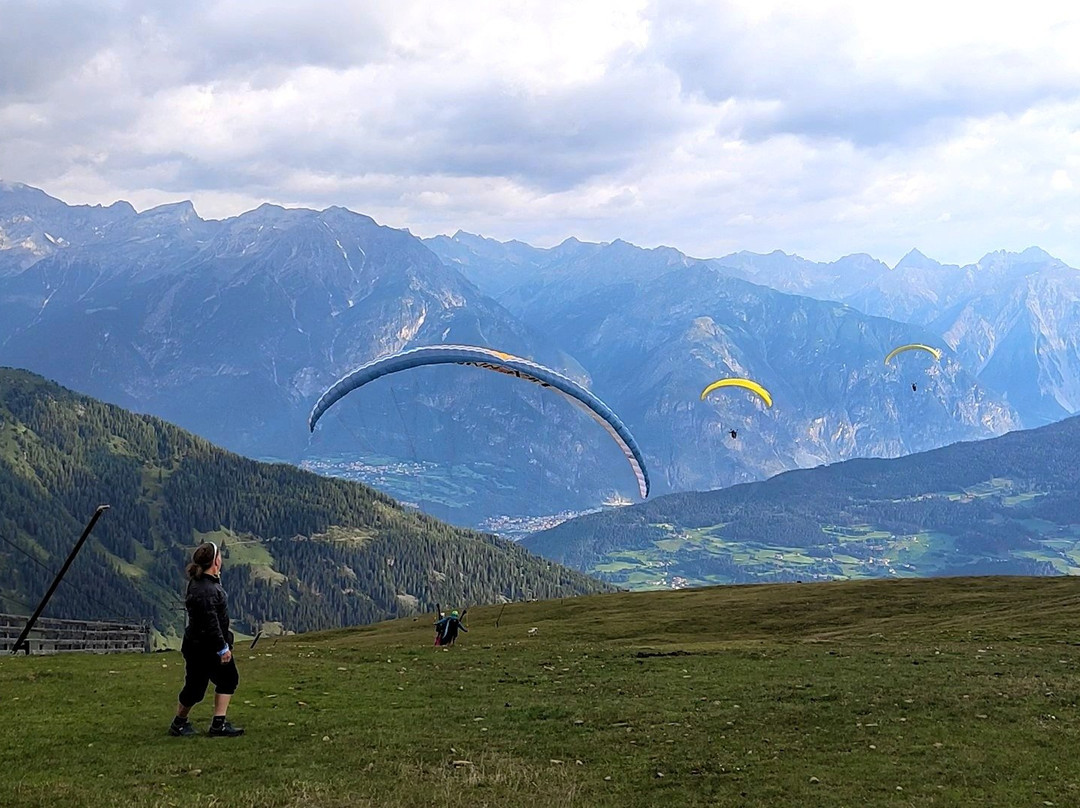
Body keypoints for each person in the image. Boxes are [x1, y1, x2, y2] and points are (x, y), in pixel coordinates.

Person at [168, 542, 244, 737]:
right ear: (216, 561)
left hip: (195, 645)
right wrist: (222, 648)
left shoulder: (198, 582)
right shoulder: (209, 589)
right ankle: (216, 724)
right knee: (225, 680)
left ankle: (180, 723)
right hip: (208, 647)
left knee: (196, 686)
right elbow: (211, 623)